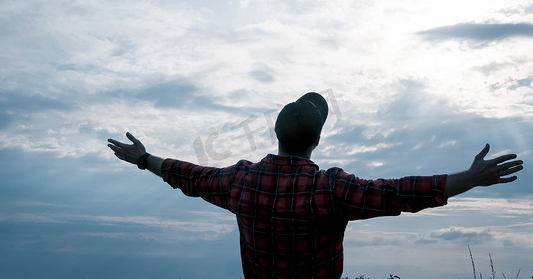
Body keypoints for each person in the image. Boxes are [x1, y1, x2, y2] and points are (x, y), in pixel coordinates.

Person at [107, 92, 523, 279]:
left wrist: (144, 159)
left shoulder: (241, 180)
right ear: (318, 139)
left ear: (275, 133)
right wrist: (468, 179)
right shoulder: (330, 189)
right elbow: (397, 192)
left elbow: (189, 175)